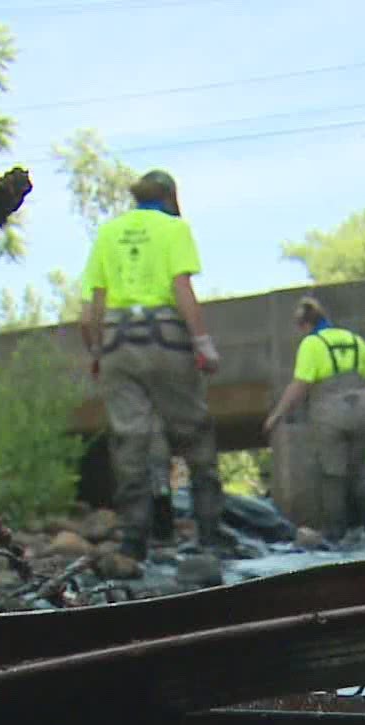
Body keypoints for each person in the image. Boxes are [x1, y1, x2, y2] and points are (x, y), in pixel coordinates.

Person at [79, 169, 225, 560]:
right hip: (165, 339)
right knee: (194, 430)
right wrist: (203, 343)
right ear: (170, 197)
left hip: (116, 344)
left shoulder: (108, 233)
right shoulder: (174, 229)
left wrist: (96, 353)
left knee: (131, 441)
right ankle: (210, 533)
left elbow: (93, 303)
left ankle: (134, 539)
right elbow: (181, 289)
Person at [261, 297, 365, 537]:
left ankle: (337, 537)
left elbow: (299, 385)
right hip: (364, 410)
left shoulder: (312, 344)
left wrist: (276, 415)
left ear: (304, 325)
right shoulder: (355, 340)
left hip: (330, 413)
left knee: (333, 476)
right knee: (357, 473)